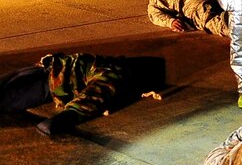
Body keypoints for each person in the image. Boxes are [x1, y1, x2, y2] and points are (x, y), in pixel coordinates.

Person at [0, 53, 166, 136]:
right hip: (46, 80)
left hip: (45, 74)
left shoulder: (113, 66)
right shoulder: (117, 72)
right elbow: (95, 95)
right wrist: (67, 117)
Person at [147, 0, 230, 37]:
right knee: (207, 20)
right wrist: (171, 22)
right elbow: (155, 16)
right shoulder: (154, 2)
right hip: (191, 4)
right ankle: (233, 26)